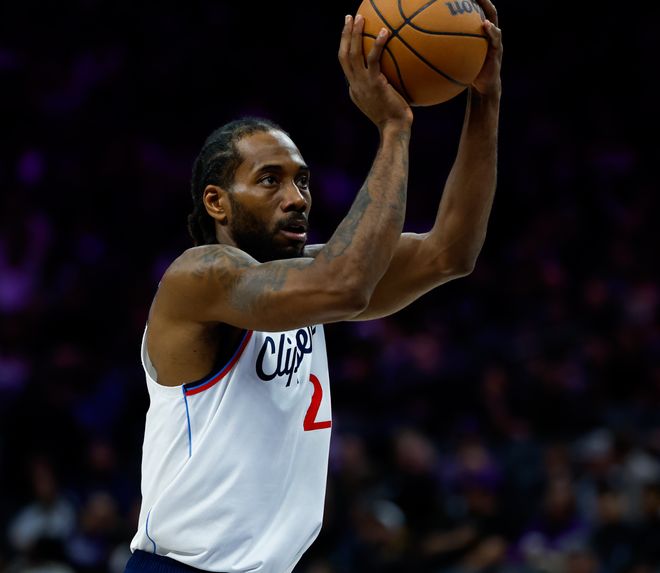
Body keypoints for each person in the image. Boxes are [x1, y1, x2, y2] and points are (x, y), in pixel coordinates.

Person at [125, 2, 502, 572]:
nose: (296, 197)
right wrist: (394, 128)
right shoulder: (199, 278)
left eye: (302, 180)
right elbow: (346, 285)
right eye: (269, 180)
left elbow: (451, 252)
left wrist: (485, 99)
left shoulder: (308, 275)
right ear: (216, 202)